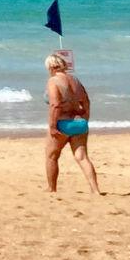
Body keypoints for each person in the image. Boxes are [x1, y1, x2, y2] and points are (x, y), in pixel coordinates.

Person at [44, 55, 101, 194]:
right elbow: (86, 101)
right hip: (78, 123)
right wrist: (85, 118)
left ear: (51, 67)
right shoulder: (75, 80)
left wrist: (52, 126)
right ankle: (95, 189)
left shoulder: (53, 81)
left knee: (51, 156)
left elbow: (55, 105)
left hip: (63, 123)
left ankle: (52, 189)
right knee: (82, 157)